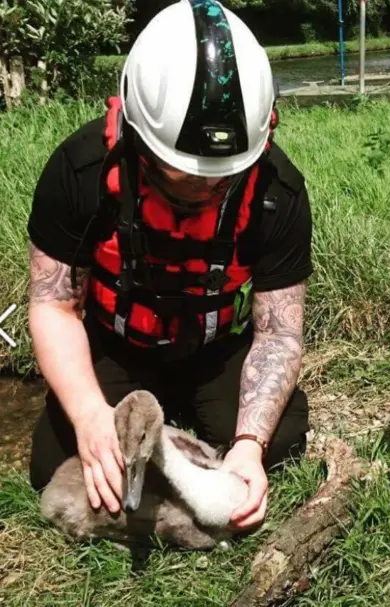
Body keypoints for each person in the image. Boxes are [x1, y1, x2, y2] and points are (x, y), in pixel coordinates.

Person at [26, 0, 313, 534]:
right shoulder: (82, 171)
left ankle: (189, 441)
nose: (207, 189)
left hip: (215, 349)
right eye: (185, 175)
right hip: (116, 343)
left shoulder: (278, 192)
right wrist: (90, 416)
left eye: (224, 176)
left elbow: (278, 333)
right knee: (52, 464)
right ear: (136, 136)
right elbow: (53, 305)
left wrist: (249, 447)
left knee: (283, 437)